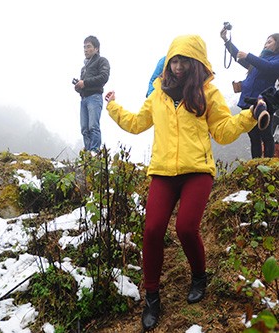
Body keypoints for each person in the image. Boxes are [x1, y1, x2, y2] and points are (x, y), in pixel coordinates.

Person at [105, 35, 262, 331]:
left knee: (186, 227)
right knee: (152, 230)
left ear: (196, 62)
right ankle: (152, 295)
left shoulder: (208, 93)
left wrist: (249, 117)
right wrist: (113, 107)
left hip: (197, 172)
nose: (177, 67)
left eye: (183, 61)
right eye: (173, 61)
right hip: (163, 172)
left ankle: (199, 275)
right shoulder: (158, 94)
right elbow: (137, 123)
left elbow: (224, 132)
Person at [221, 29, 279, 158]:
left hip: (263, 103)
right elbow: (238, 56)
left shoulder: (275, 60)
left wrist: (249, 56)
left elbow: (268, 67)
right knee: (253, 137)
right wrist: (226, 41)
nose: (266, 44)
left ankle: (267, 165)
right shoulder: (258, 61)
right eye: (266, 41)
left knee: (266, 135)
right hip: (248, 103)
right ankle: (256, 165)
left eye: (270, 42)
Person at [73, 35, 110, 153]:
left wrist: (85, 83)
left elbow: (104, 77)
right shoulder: (84, 68)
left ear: (96, 49)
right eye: (84, 47)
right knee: (84, 129)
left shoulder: (102, 61)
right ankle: (88, 154)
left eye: (88, 46)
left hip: (95, 97)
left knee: (93, 127)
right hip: (84, 98)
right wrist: (79, 87)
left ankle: (95, 152)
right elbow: (84, 85)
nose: (85, 49)